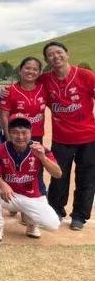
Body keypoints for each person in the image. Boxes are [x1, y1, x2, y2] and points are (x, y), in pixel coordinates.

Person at [39, 41, 95, 230]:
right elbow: (27, 86)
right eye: (51, 55)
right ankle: (56, 210)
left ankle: (79, 215)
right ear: (47, 60)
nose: (56, 57)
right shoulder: (45, 79)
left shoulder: (85, 76)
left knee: (86, 178)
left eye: (59, 52)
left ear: (67, 54)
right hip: (61, 138)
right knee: (58, 177)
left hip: (88, 137)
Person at [0, 114, 62, 242]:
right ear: (9, 133)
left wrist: (43, 158)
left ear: (30, 133)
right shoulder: (0, 150)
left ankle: (30, 220)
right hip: (9, 195)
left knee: (53, 225)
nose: (20, 137)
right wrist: (3, 185)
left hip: (33, 196)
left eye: (24, 132)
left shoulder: (39, 149)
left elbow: (58, 174)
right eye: (15, 132)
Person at [0, 56, 47, 143]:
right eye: (27, 68)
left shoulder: (44, 88)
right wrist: (8, 138)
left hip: (36, 136)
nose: (31, 71)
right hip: (15, 136)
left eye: (35, 69)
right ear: (20, 70)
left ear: (40, 73)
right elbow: (4, 116)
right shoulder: (9, 91)